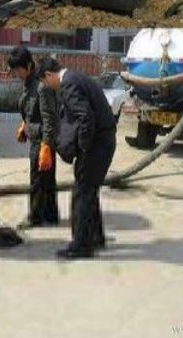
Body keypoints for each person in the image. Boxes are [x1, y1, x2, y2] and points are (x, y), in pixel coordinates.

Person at [36, 57, 117, 259]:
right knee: (89, 192)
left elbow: (85, 117)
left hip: (95, 145)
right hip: (103, 141)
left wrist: (82, 148)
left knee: (81, 194)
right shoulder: (76, 77)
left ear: (48, 75)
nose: (47, 87)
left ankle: (81, 246)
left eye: (45, 83)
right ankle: (95, 238)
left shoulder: (68, 84)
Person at [8, 46, 59, 229]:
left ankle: (35, 219)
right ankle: (50, 217)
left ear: (28, 66)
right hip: (37, 136)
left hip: (43, 140)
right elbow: (31, 110)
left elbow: (49, 118)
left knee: (38, 181)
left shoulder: (41, 86)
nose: (16, 73)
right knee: (46, 181)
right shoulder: (29, 82)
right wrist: (25, 124)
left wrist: (46, 145)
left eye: (17, 70)